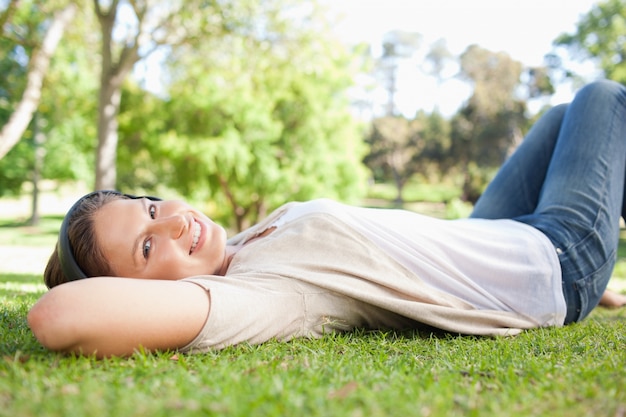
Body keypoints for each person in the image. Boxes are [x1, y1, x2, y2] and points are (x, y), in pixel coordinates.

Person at [28, 79, 626, 358]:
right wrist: (101, 279)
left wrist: (144, 256)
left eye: (152, 209)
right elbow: (59, 317)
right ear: (146, 295)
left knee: (559, 116)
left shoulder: (242, 242)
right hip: (558, 262)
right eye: (146, 248)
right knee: (603, 99)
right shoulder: (258, 296)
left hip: (489, 236)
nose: (173, 225)